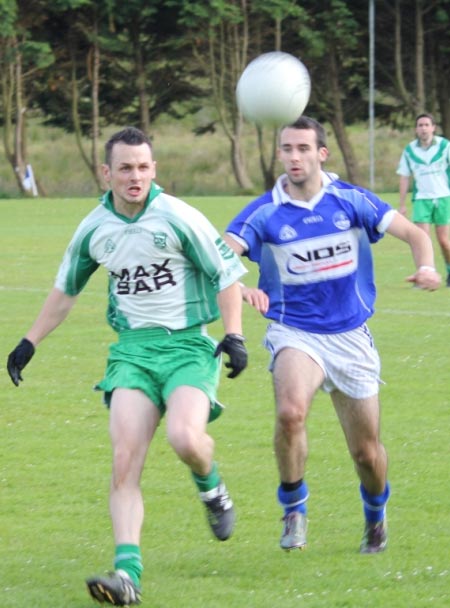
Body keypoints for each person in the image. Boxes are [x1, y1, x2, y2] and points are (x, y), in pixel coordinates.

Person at [7, 127, 248, 606]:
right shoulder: (94, 228)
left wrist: (235, 334)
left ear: (154, 169)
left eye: (142, 167)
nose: (134, 176)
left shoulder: (179, 216)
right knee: (123, 463)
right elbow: (65, 292)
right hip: (132, 354)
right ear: (107, 172)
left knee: (185, 439)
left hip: (186, 349)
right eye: (124, 168)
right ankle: (127, 574)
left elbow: (227, 276)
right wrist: (29, 341)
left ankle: (211, 485)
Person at [223, 116, 441, 555]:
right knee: (290, 413)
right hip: (295, 332)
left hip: (350, 337)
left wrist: (427, 265)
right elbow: (221, 254)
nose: (294, 157)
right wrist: (239, 283)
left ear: (322, 154)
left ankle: (375, 516)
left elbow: (415, 233)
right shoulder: (265, 210)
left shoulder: (351, 200)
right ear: (280, 155)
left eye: (303, 148)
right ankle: (293, 509)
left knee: (366, 454)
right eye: (287, 149)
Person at [397, 112, 450, 287]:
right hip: (421, 200)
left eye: (427, 125)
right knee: (422, 239)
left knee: (444, 241)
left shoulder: (444, 146)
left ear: (433, 128)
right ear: (416, 129)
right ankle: (424, 276)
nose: (423, 128)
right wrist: (402, 204)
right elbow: (404, 177)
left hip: (443, 198)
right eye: (420, 125)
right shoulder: (409, 150)